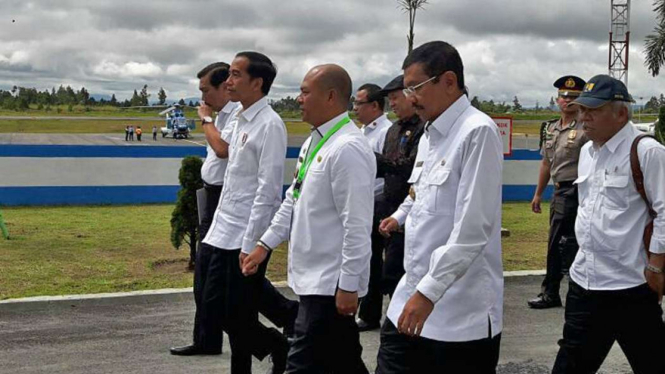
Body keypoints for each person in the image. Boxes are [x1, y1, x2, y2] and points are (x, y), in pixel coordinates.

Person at [377, 41, 503, 373]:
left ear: (448, 81)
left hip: (459, 313)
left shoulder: (477, 132)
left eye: (415, 87)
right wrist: (400, 215)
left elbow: (473, 230)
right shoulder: (431, 132)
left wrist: (429, 293)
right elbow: (420, 191)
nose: (409, 98)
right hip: (413, 294)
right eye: (406, 90)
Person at [242, 64, 374, 373]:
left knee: (300, 364)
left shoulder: (347, 148)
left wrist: (349, 284)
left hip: (329, 284)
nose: (298, 99)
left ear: (330, 96)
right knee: (343, 361)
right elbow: (293, 198)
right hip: (313, 278)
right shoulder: (316, 141)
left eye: (304, 92)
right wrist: (264, 244)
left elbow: (357, 224)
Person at [551, 74, 665, 374]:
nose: (583, 117)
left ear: (621, 113)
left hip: (631, 286)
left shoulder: (647, 152)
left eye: (593, 110)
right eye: (581, 109)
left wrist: (656, 266)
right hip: (585, 283)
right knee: (569, 365)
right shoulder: (588, 151)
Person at [201, 51, 290, 374]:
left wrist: (253, 244)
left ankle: (268, 355)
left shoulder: (270, 125)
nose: (228, 81)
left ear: (257, 82)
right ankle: (277, 346)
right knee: (215, 309)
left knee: (239, 314)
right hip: (221, 230)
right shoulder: (238, 117)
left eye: (236, 75)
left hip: (244, 237)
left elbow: (268, 192)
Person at [528, 75, 588, 309]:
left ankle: (554, 292)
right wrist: (537, 194)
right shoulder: (551, 128)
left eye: (574, 97)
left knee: (566, 243)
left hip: (579, 190)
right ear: (557, 99)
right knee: (559, 242)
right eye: (564, 96)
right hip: (560, 191)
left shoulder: (587, 126)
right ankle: (554, 292)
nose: (568, 100)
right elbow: (546, 163)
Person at [376, 74, 425, 299]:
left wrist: (374, 159)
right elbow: (386, 169)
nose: (392, 104)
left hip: (412, 211)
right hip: (390, 208)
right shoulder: (393, 130)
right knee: (386, 267)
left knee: (399, 270)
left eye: (395, 98)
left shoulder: (423, 128)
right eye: (390, 100)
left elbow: (410, 168)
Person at [353, 83, 392, 331]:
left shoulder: (385, 132)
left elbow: (387, 172)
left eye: (359, 103)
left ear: (375, 106)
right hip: (365, 203)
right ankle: (368, 312)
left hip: (379, 204)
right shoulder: (363, 131)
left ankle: (370, 314)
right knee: (368, 260)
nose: (355, 108)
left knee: (376, 261)